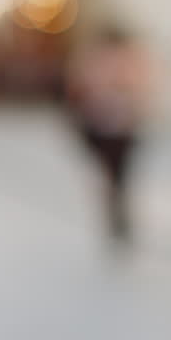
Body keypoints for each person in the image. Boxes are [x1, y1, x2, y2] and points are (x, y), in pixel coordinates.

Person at [67, 24, 152, 246]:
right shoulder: (96, 58)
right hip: (103, 124)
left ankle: (118, 214)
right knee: (112, 174)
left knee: (118, 175)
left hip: (120, 126)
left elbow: (137, 89)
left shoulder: (125, 59)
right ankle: (115, 212)